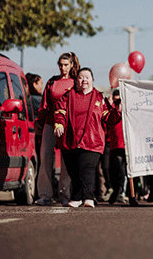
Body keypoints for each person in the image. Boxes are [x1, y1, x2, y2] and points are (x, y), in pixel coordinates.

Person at [53, 68, 108, 208]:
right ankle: (77, 197)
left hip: (92, 140)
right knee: (74, 170)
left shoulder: (99, 98)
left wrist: (118, 112)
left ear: (92, 80)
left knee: (86, 168)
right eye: (81, 77)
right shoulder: (68, 96)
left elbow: (108, 117)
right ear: (77, 80)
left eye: (87, 77)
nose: (84, 80)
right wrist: (59, 124)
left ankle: (88, 197)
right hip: (71, 140)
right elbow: (60, 111)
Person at [35, 52, 80, 206]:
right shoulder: (52, 82)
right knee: (45, 157)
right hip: (50, 123)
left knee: (66, 161)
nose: (63, 68)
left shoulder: (76, 82)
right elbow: (44, 105)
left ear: (72, 65)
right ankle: (45, 195)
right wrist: (39, 122)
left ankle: (64, 195)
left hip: (68, 126)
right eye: (60, 65)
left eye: (66, 65)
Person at [106, 93, 139, 206]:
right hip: (117, 145)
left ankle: (132, 197)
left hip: (131, 146)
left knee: (131, 173)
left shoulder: (134, 111)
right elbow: (110, 121)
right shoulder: (114, 112)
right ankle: (116, 190)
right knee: (117, 172)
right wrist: (117, 109)